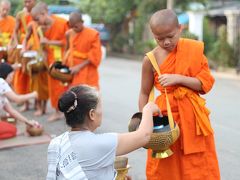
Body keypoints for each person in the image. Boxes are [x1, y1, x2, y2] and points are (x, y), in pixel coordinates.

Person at [138, 9, 220, 180]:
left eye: (170, 36)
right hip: (165, 117)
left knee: (197, 163)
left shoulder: (193, 49)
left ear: (180, 28)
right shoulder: (150, 59)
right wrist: (144, 121)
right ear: (153, 35)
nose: (166, 42)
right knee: (166, 165)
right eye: (159, 39)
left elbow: (205, 84)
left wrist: (179, 79)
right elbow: (144, 92)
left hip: (192, 116)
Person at [46, 84, 161, 179]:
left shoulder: (57, 143)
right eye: (100, 106)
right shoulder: (100, 143)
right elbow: (144, 136)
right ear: (92, 114)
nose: (102, 110)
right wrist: (148, 109)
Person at [30, 2, 69, 121]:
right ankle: (57, 111)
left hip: (63, 59)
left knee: (63, 87)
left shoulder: (62, 23)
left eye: (37, 19)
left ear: (44, 13)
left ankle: (63, 111)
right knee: (53, 87)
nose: (37, 23)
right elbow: (44, 46)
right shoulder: (42, 28)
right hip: (51, 60)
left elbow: (67, 42)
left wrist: (48, 42)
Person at [0, 62, 39, 139]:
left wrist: (28, 122)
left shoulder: (3, 93)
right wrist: (33, 95)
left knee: (11, 126)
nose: (12, 79)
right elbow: (17, 99)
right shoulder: (1, 81)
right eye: (11, 76)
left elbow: (12, 111)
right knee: (12, 131)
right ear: (6, 74)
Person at [10, 0, 36, 112]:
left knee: (34, 76)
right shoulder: (20, 15)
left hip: (34, 47)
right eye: (25, 2)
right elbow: (15, 31)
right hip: (23, 49)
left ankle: (37, 103)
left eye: (29, 1)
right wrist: (16, 43)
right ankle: (25, 102)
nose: (26, 4)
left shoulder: (37, 14)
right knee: (23, 75)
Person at [65, 12, 102, 89]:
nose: (74, 29)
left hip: (88, 72)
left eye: (76, 27)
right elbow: (67, 51)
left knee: (89, 96)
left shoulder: (93, 35)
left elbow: (95, 56)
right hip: (73, 72)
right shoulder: (69, 34)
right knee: (74, 96)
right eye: (71, 27)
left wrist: (79, 67)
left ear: (82, 22)